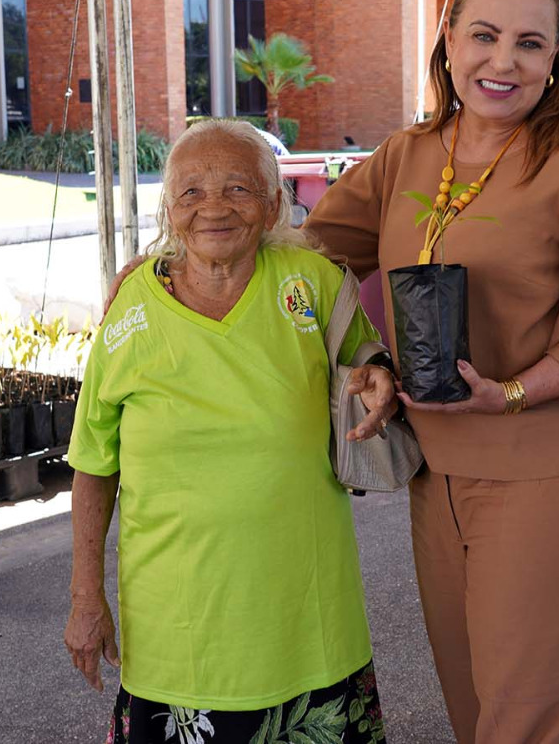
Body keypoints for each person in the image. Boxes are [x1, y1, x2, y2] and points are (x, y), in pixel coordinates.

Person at [303, 0, 559, 744]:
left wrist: (507, 392)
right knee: (472, 707)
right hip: (439, 467)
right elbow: (312, 254)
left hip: (552, 468)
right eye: (485, 34)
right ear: (448, 38)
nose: (503, 61)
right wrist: (185, 256)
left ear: (555, 59)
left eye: (530, 44)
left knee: (531, 717)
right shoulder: (410, 153)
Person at [65, 120, 400, 743]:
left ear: (273, 204)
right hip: (178, 636)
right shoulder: (131, 310)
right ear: (169, 209)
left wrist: (378, 375)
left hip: (308, 626)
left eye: (238, 189)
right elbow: (92, 461)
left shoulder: (313, 283)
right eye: (191, 193)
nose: (213, 208)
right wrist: (88, 597)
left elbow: (367, 358)